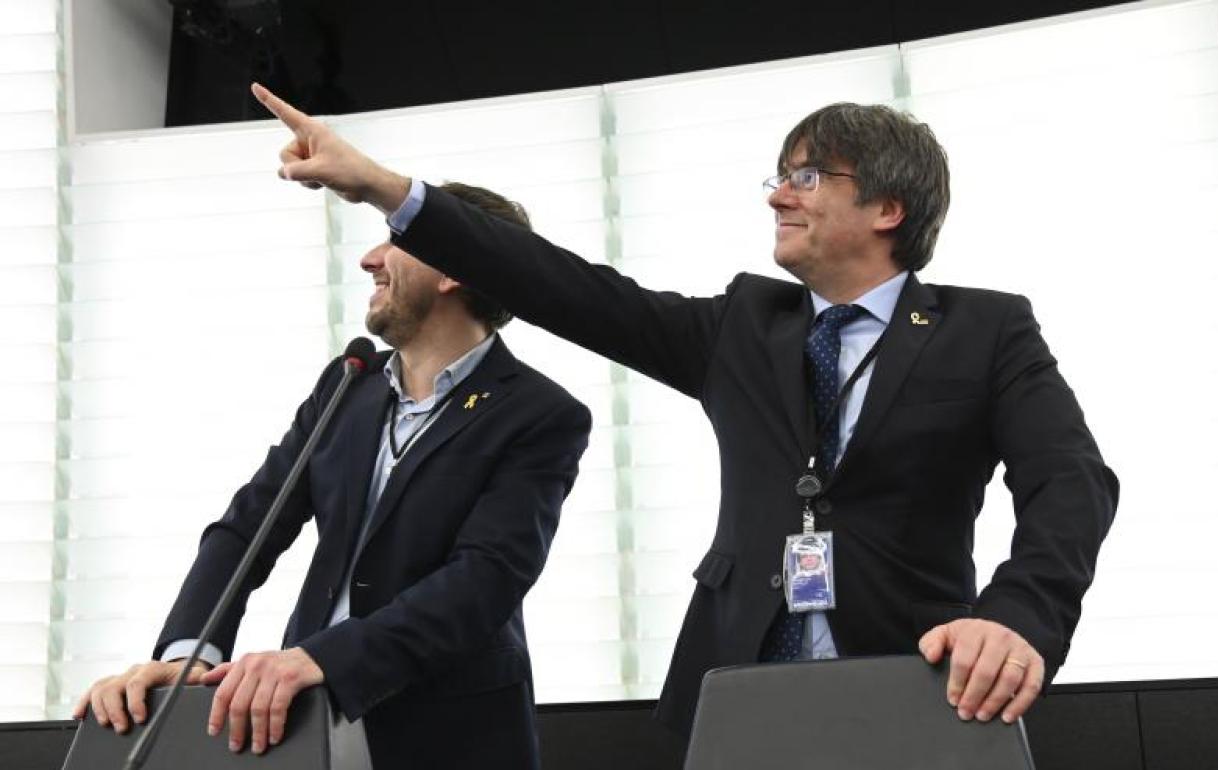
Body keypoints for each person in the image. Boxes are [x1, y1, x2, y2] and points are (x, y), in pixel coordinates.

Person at [250, 83, 1119, 739]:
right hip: (732, 693)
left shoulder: (987, 330)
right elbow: (566, 288)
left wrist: (1017, 616)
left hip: (917, 686)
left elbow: (1072, 481)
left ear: (889, 208)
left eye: (807, 176)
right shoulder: (744, 325)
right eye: (780, 176)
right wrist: (387, 190)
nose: (778, 195)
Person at [72, 182, 593, 770]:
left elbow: (486, 579)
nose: (370, 259)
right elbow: (249, 527)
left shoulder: (541, 413)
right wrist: (189, 656)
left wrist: (326, 658)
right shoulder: (347, 384)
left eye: (395, 242)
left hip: (450, 736)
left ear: (452, 268)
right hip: (302, 726)